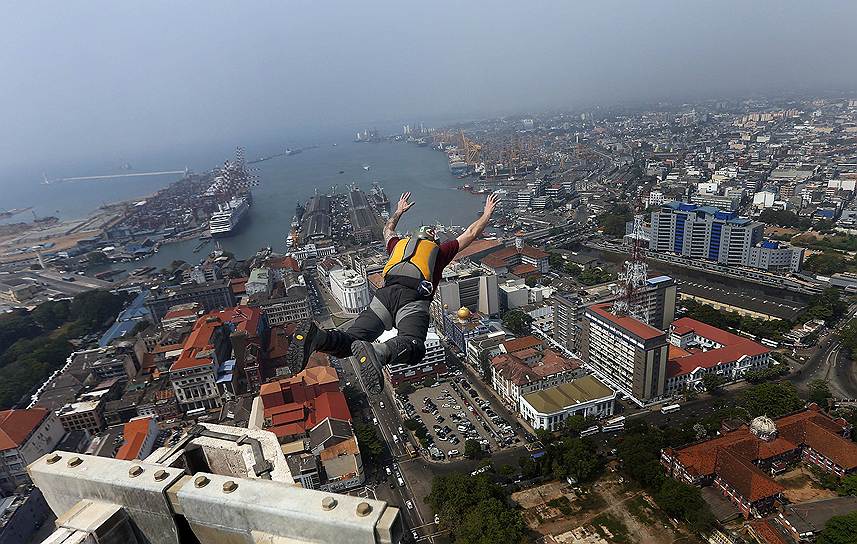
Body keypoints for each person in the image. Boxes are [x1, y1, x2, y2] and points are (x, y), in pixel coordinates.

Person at [302, 190, 499, 393]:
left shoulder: (398, 246)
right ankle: (379, 353)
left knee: (351, 341)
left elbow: (387, 229)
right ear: (433, 241)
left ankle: (319, 338)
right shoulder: (438, 253)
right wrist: (486, 214)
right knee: (413, 344)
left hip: (383, 296)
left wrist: (398, 212)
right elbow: (471, 233)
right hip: (411, 300)